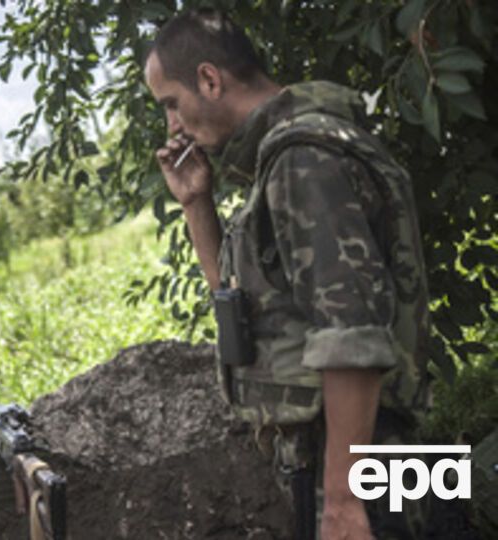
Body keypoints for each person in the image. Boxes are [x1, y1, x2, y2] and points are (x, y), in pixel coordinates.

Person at [143, 9, 430, 540]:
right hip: (364, 452)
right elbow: (243, 313)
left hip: (363, 459)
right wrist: (195, 204)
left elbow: (352, 335)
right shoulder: (287, 159)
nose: (173, 127)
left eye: (171, 105)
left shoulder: (304, 160)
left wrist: (343, 502)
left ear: (209, 80)